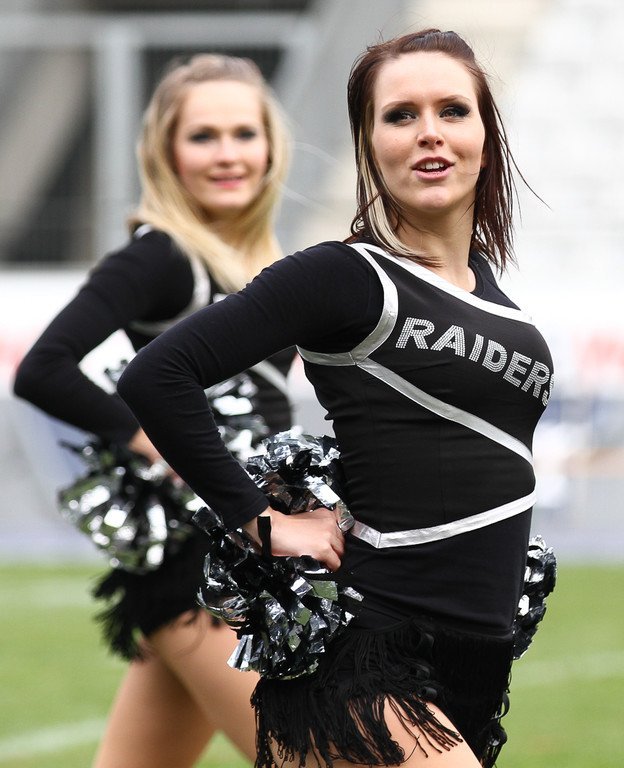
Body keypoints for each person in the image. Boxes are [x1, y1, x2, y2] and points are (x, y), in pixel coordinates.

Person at [118, 29, 554, 768]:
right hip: (372, 665)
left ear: (486, 134)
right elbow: (157, 376)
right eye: (400, 115)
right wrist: (259, 521)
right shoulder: (344, 277)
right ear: (369, 143)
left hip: (474, 670)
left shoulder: (497, 298)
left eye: (452, 110)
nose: (429, 133)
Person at [13, 53, 293, 768]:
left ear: (271, 147)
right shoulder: (162, 256)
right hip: (196, 556)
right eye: (203, 136)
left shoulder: (260, 261)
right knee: (309, 756)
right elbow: (44, 369)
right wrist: (152, 441)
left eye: (244, 133)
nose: (228, 154)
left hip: (239, 549)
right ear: (166, 153)